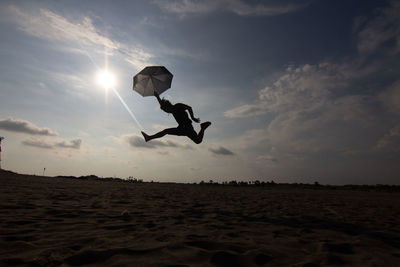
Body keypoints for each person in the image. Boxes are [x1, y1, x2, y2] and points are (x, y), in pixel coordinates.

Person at [141, 91, 211, 144]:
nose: (166, 112)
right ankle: (149, 137)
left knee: (198, 141)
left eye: (166, 110)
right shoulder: (172, 111)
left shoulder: (178, 106)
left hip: (187, 128)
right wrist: (157, 97)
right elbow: (163, 105)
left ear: (168, 106)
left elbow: (189, 107)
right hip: (182, 128)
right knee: (197, 140)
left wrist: (193, 117)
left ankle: (203, 128)